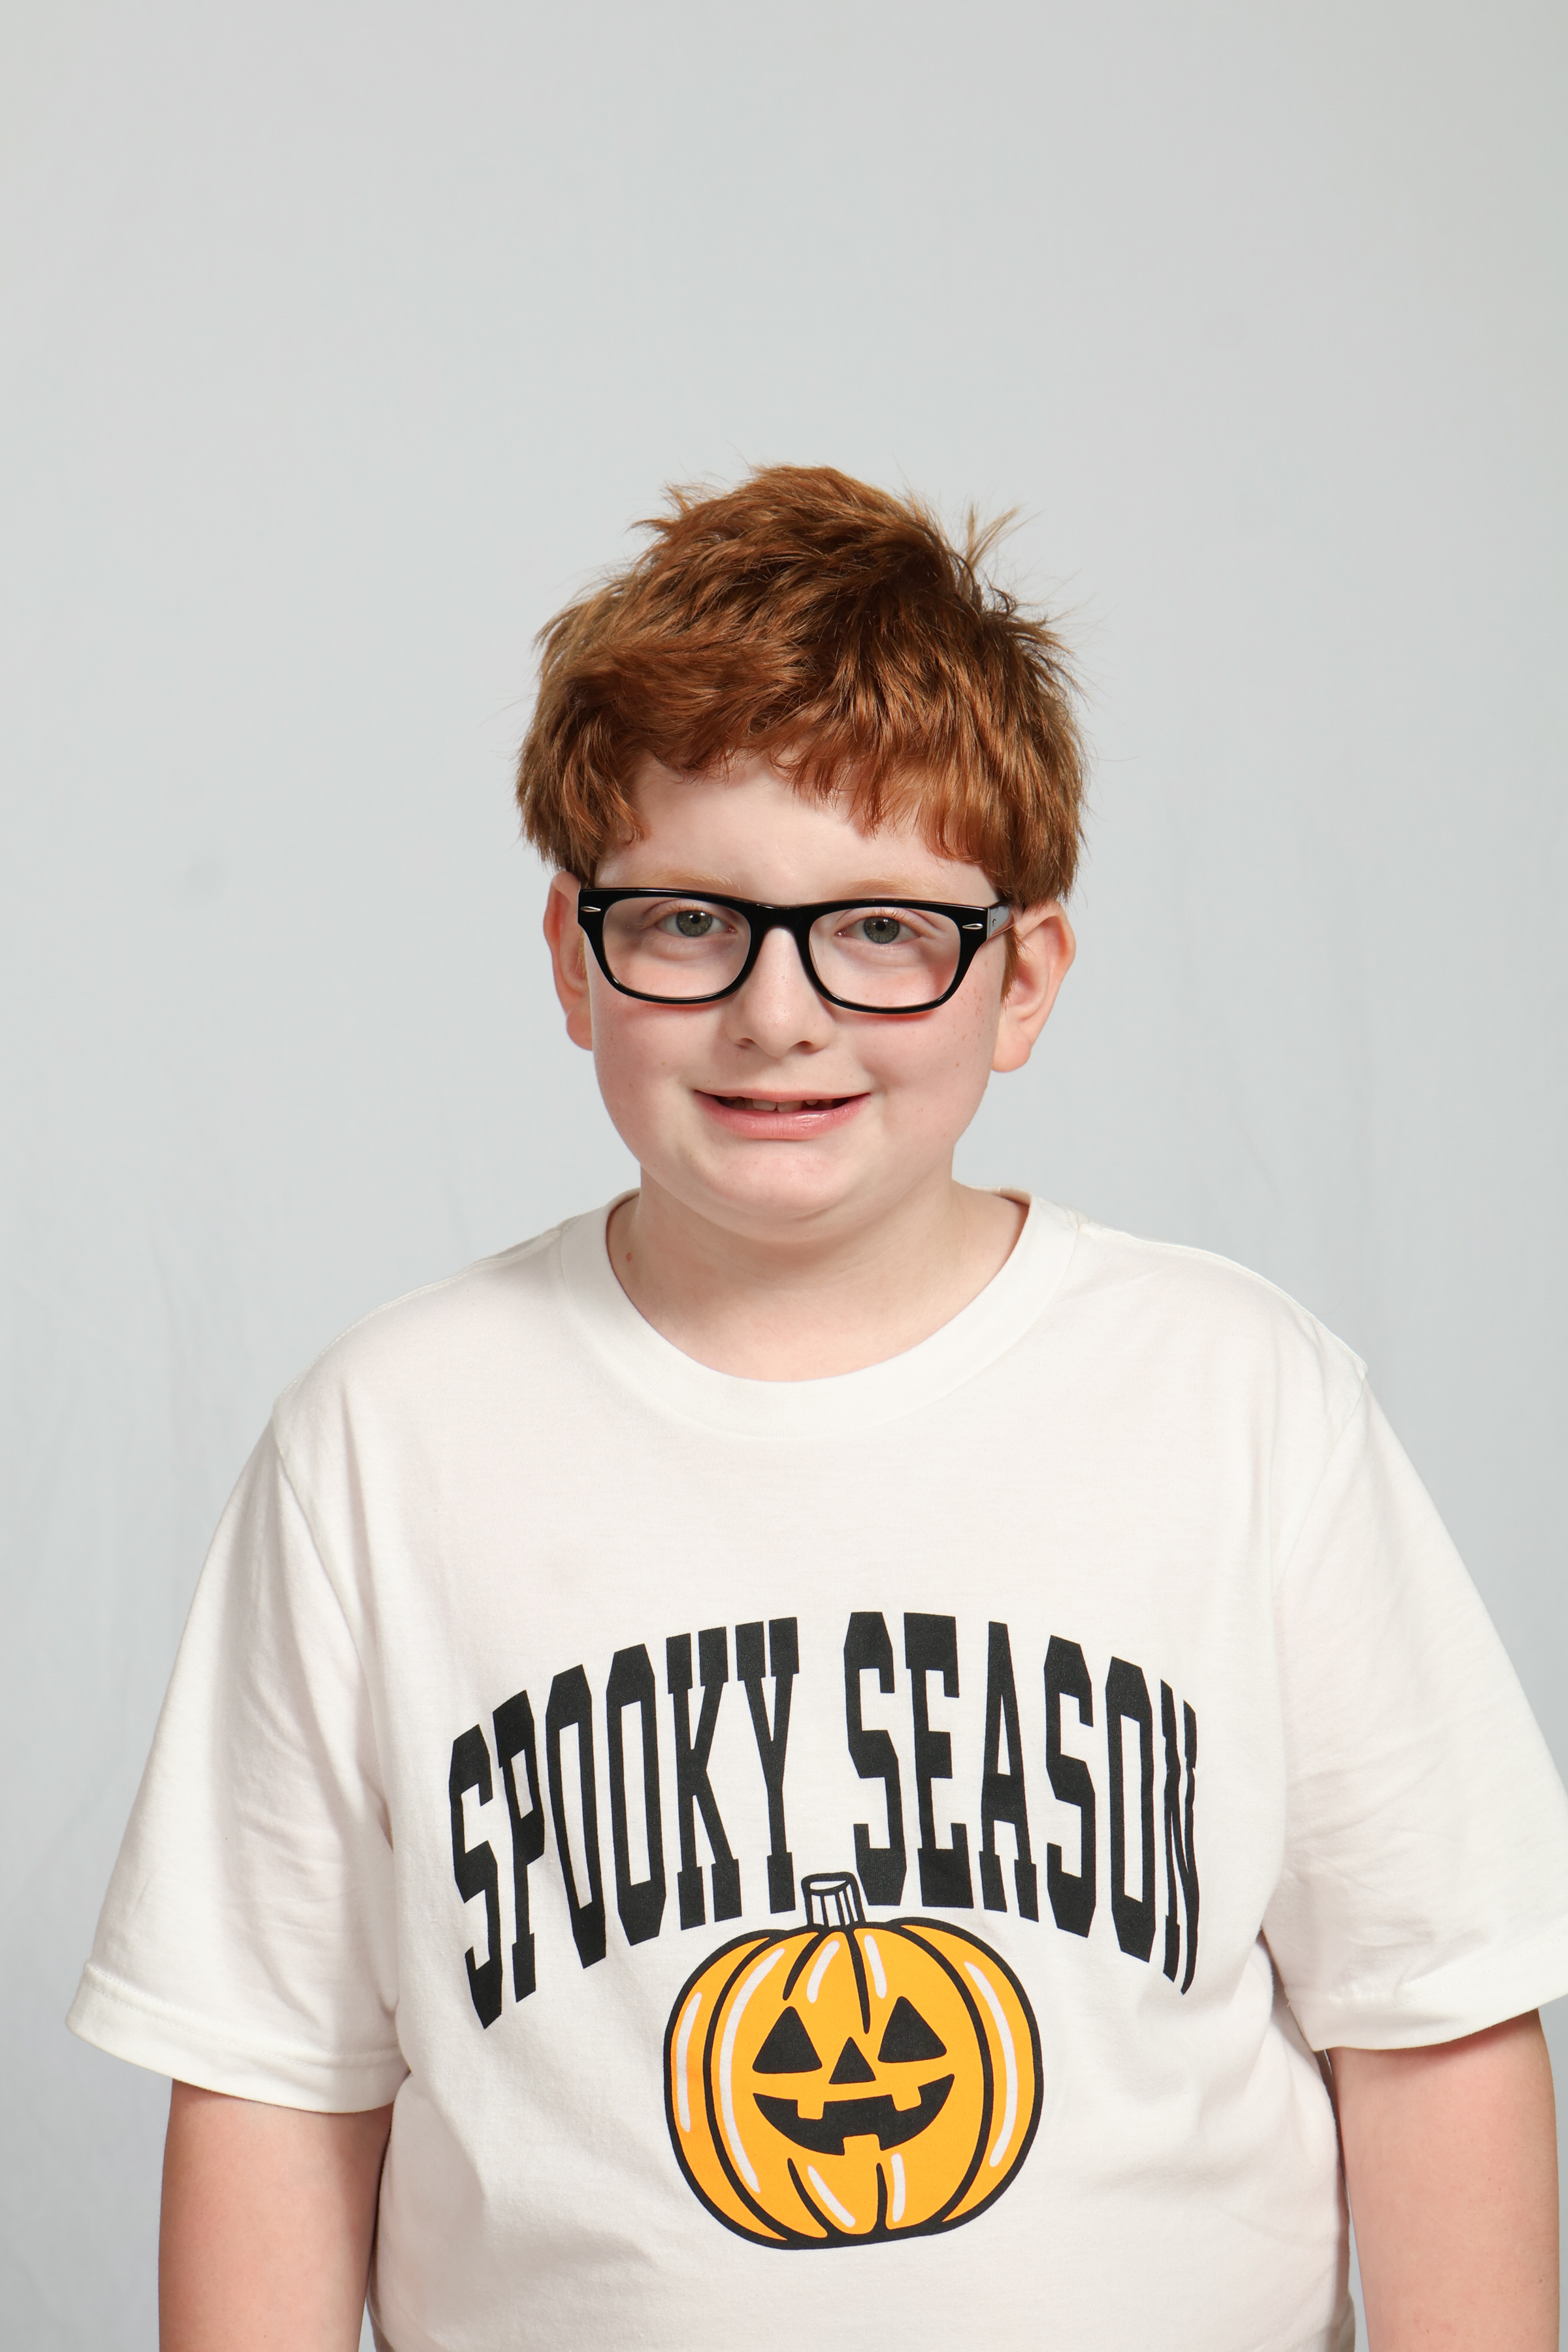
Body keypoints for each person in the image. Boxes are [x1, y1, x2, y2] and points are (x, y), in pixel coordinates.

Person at [71, 466, 1568, 2352]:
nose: (779, 1015)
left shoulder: (1239, 1401)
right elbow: (275, 2085)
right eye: (692, 921)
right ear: (575, 960)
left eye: (880, 931)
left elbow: (1432, 2020)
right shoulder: (387, 1442)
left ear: (1021, 980)